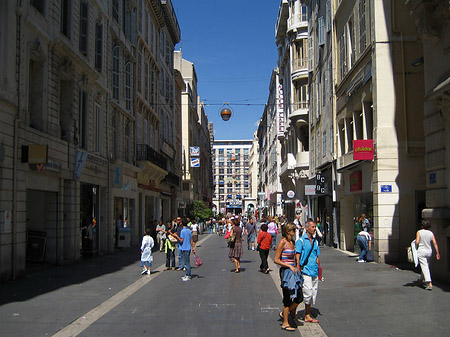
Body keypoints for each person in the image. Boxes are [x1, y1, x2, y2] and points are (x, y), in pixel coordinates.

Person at [274, 222, 303, 331]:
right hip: (286, 272)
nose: (295, 232)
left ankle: (284, 313)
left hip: (294, 272)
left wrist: (297, 267)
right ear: (288, 231)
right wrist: (288, 266)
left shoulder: (293, 242)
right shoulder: (283, 242)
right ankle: (285, 323)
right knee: (287, 297)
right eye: (293, 230)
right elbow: (276, 259)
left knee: (299, 296)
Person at [296, 218, 320, 323]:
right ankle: (306, 314)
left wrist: (319, 269)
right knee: (307, 292)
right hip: (305, 270)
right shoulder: (300, 241)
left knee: (313, 293)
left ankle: (306, 313)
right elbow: (298, 257)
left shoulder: (315, 241)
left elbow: (317, 256)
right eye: (312, 227)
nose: (314, 229)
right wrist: (297, 271)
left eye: (315, 227)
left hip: (314, 270)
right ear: (307, 228)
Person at [415, 220, 440, 290]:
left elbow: (417, 242)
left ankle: (429, 282)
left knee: (424, 266)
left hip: (422, 251)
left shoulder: (419, 232)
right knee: (425, 265)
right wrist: (437, 252)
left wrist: (416, 244)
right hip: (429, 251)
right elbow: (434, 243)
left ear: (422, 225)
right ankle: (421, 280)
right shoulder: (431, 233)